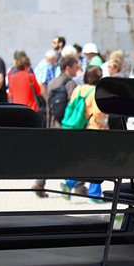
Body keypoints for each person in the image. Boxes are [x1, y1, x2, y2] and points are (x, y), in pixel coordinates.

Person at [32, 56, 81, 197]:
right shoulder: (70, 83)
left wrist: (48, 125)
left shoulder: (52, 82)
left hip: (53, 124)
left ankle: (39, 183)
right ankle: (78, 186)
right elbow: (73, 106)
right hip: (65, 125)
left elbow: (49, 106)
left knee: (51, 156)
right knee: (73, 156)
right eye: (75, 66)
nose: (77, 69)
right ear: (68, 67)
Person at [62, 66, 108, 202]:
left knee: (83, 159)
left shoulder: (78, 88)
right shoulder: (95, 92)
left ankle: (69, 182)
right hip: (94, 128)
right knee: (97, 161)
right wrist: (106, 125)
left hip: (80, 127)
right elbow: (98, 113)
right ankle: (94, 194)